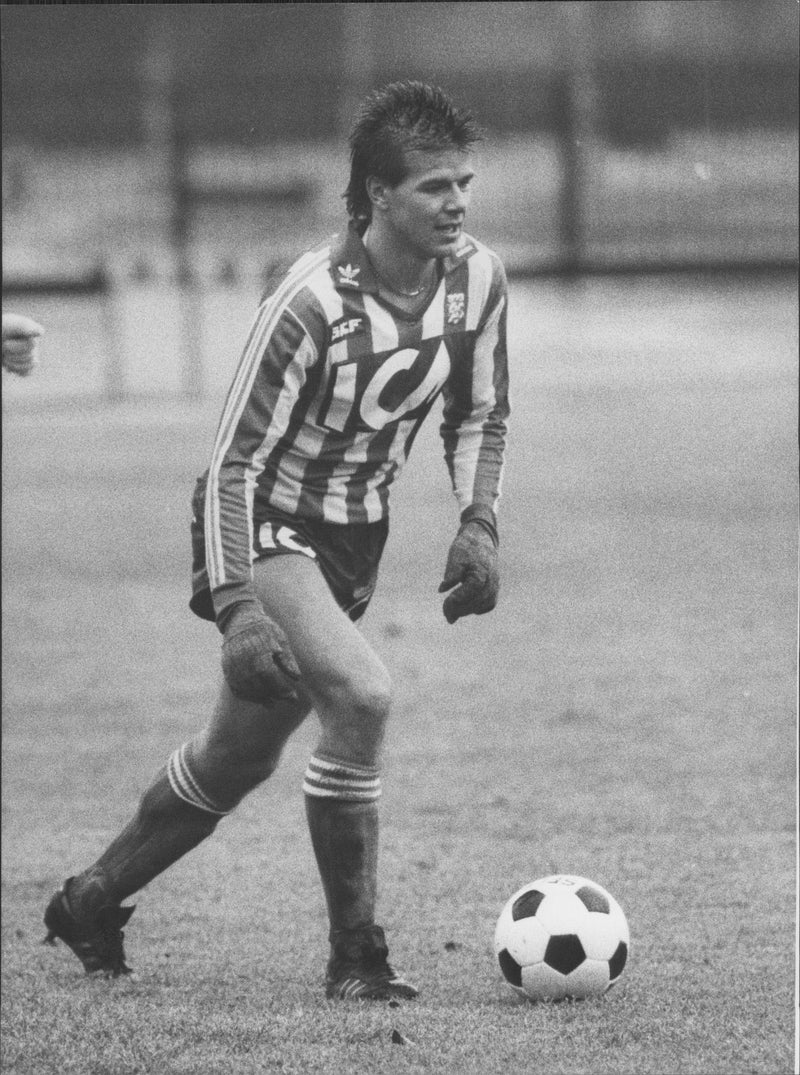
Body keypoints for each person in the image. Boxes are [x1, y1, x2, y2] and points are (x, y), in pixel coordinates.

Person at [43, 80, 510, 1000]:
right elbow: (230, 464)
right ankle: (356, 956)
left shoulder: (479, 280)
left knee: (235, 759)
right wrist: (239, 610)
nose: (456, 202)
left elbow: (481, 414)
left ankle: (89, 899)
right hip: (264, 531)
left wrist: (479, 521)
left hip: (351, 544)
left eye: (463, 182)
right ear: (377, 195)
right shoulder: (307, 303)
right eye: (433, 187)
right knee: (365, 697)